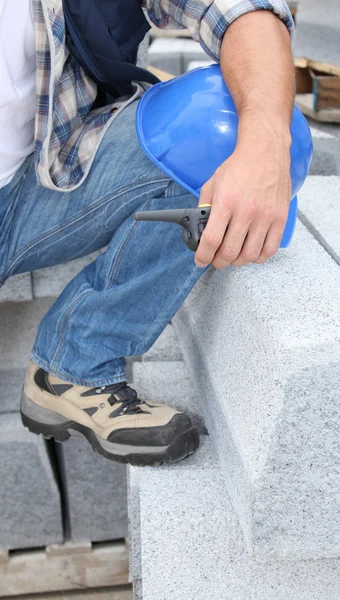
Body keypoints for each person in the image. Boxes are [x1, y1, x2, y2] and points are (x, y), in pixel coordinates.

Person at [0, 0, 295, 465]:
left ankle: (73, 365)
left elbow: (241, 10)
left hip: (29, 183)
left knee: (217, 126)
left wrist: (266, 144)